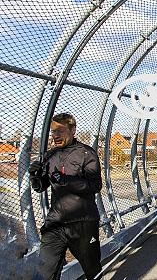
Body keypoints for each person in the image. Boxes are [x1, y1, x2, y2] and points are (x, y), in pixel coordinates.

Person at [27, 113, 102, 280]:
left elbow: (95, 185)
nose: (56, 135)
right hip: (56, 222)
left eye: (60, 131)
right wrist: (35, 176)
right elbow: (40, 187)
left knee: (92, 270)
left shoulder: (86, 153)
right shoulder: (50, 155)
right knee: (45, 271)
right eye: (53, 132)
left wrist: (67, 180)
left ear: (73, 130)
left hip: (82, 221)